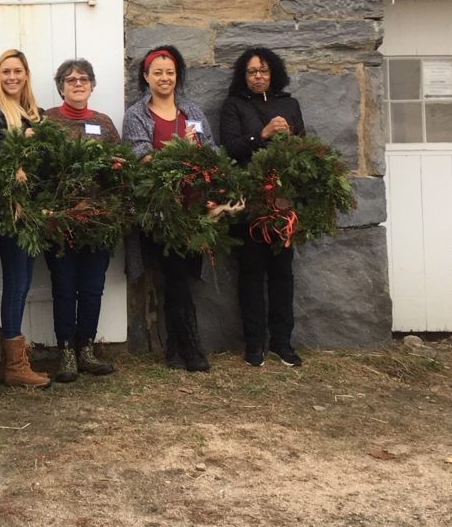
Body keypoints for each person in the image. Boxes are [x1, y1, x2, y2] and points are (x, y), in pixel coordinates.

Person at [122, 46, 215, 372]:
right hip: (159, 211)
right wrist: (182, 152)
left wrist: (199, 151)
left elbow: (211, 153)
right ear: (146, 77)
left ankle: (174, 352)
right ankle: (193, 349)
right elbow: (141, 158)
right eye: (157, 72)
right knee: (175, 276)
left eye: (170, 72)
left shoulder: (193, 112)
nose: (165, 78)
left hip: (193, 209)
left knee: (182, 277)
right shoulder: (136, 115)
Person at [220, 47, 306, 367]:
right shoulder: (234, 105)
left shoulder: (290, 104)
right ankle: (255, 344)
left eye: (264, 71)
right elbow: (230, 147)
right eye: (252, 72)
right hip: (249, 202)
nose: (258, 77)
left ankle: (282, 343)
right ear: (244, 76)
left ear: (274, 73)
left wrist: (290, 140)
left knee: (283, 274)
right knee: (251, 274)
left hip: (283, 202)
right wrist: (263, 134)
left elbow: (303, 148)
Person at [41, 59, 120, 383]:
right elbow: (38, 171)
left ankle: (86, 348)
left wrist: (116, 170)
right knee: (63, 287)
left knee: (92, 288)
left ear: (92, 85)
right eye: (70, 79)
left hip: (97, 223)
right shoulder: (47, 121)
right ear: (61, 86)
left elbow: (121, 169)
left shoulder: (103, 124)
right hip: (61, 224)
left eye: (84, 79)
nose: (77, 83)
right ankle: (66, 353)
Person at [0, 49, 50, 388]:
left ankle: (16, 359)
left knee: (23, 281)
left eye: (17, 71)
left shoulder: (38, 114)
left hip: (33, 210)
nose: (11, 77)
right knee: (16, 281)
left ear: (26, 74)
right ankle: (14, 364)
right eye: (5, 71)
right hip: (11, 211)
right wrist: (24, 142)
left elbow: (47, 162)